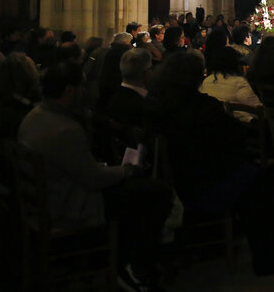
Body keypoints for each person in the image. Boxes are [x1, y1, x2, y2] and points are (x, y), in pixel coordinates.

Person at [18, 60, 171, 292]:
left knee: (139, 192)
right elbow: (94, 179)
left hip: (50, 196)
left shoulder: (34, 115)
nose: (86, 92)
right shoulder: (66, 129)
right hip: (70, 205)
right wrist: (126, 170)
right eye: (82, 86)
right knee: (153, 194)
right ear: (70, 90)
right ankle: (130, 265)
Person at [145, 51, 274, 277]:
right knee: (263, 180)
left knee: (254, 174)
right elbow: (232, 136)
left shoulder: (156, 103)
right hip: (201, 184)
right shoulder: (199, 106)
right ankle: (269, 259)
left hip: (174, 179)